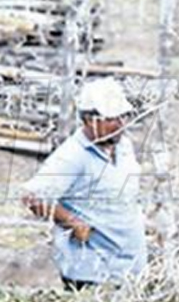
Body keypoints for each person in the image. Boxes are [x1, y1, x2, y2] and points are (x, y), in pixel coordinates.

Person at [20, 78, 147, 290]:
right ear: (88, 119)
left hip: (128, 269)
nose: (119, 124)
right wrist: (72, 221)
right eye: (110, 118)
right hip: (92, 273)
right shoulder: (73, 155)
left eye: (122, 116)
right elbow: (33, 196)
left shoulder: (123, 146)